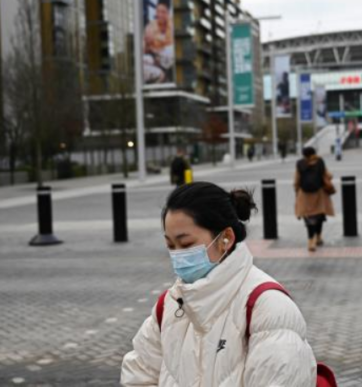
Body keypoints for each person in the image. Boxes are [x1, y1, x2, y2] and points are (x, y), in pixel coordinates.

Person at [121, 182, 317, 385]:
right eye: (170, 245)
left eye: (186, 244)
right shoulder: (170, 304)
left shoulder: (268, 308)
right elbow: (138, 375)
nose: (178, 254)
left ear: (226, 238)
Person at [294, 147, 335, 252]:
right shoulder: (320, 161)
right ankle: (319, 237)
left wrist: (297, 192)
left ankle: (310, 242)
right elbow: (328, 175)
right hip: (319, 194)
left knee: (309, 218)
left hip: (304, 195)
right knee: (319, 215)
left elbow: (296, 181)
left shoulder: (300, 163)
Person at [143, 0, 175, 84]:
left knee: (170, 51)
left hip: (167, 62)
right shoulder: (151, 26)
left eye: (163, 12)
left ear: (168, 12)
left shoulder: (172, 25)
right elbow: (144, 48)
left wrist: (156, 41)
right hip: (153, 61)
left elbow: (170, 43)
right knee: (145, 60)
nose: (160, 14)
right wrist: (148, 45)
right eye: (158, 11)